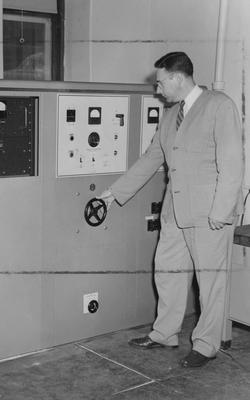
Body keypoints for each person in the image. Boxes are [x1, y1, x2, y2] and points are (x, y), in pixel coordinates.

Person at [98, 51, 244, 368]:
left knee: (210, 283)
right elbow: (152, 158)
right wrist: (114, 193)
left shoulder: (220, 106)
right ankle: (164, 333)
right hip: (174, 212)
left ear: (178, 78)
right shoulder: (171, 114)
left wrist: (221, 212)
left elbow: (232, 165)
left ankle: (206, 345)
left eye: (161, 82)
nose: (157, 89)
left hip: (209, 215)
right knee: (167, 272)